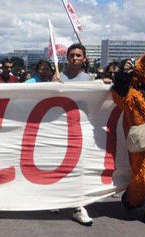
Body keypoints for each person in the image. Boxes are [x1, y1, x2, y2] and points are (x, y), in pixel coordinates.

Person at [53, 43, 93, 226]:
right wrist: (51, 87)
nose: (75, 58)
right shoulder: (57, 78)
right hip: (59, 128)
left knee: (80, 167)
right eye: (72, 55)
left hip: (80, 128)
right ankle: (58, 198)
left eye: (79, 55)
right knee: (58, 164)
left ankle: (79, 206)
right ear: (66, 58)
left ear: (84, 58)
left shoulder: (90, 79)